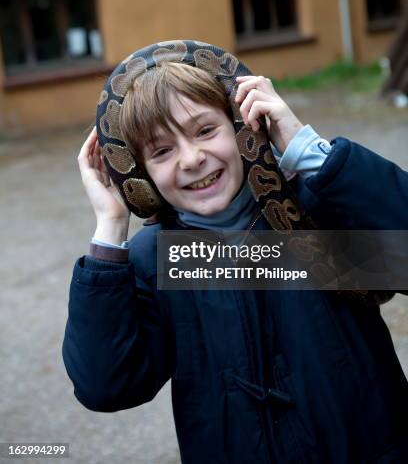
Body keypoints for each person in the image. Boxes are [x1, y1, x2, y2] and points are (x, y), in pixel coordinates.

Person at [63, 41, 408, 464]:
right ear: (140, 174)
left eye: (206, 130)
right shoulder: (152, 260)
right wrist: (111, 228)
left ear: (244, 124)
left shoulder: (319, 202)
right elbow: (106, 385)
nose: (192, 159)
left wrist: (312, 152)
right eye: (161, 151)